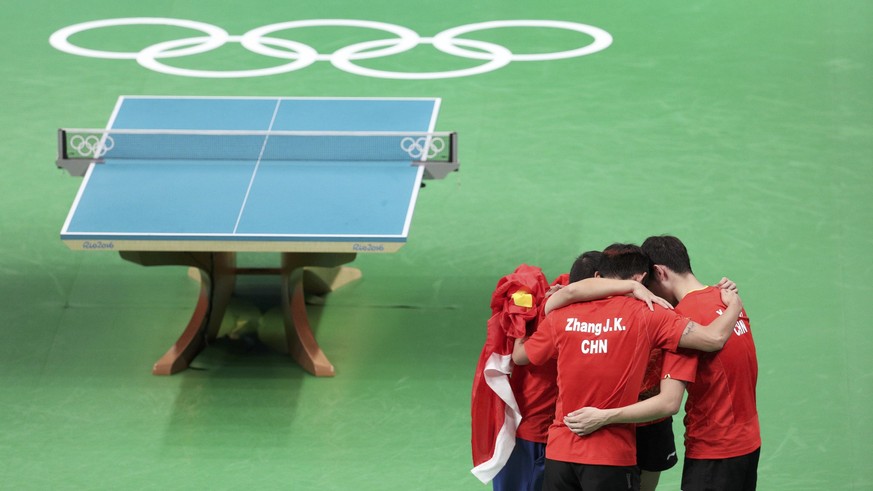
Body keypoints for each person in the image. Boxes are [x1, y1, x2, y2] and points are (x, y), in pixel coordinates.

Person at [512, 244, 743, 491]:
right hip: (611, 456)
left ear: (599, 277)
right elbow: (713, 338)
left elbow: (520, 355)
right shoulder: (649, 314)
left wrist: (519, 320)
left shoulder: (558, 314)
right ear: (642, 278)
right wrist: (734, 305)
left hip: (560, 452)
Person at [489, 251, 602, 491]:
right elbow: (520, 357)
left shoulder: (557, 297)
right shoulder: (560, 315)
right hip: (532, 435)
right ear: (596, 278)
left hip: (556, 434)